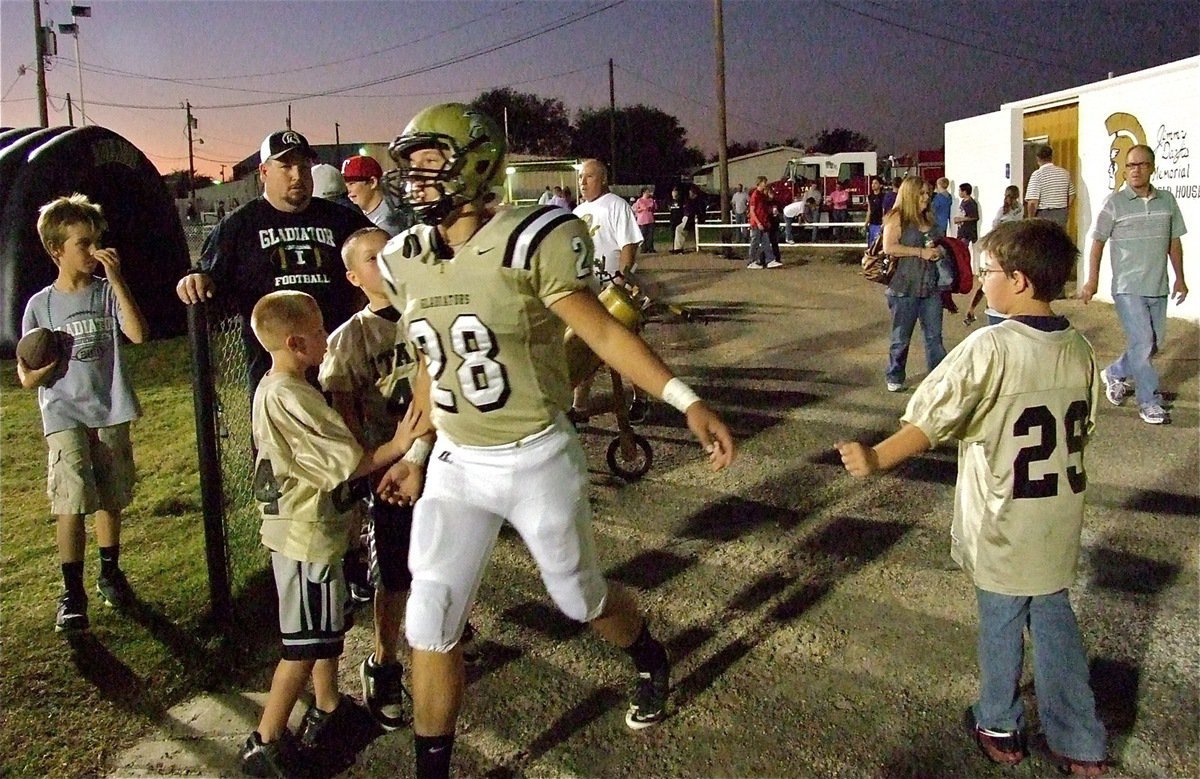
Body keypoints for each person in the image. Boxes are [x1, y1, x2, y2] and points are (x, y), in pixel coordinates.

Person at [373, 102, 735, 779]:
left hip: (536, 454)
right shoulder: (405, 257)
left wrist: (685, 399)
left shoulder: (531, 237)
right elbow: (432, 361)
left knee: (578, 596)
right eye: (411, 167)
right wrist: (417, 449)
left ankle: (649, 653)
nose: (415, 181)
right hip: (457, 461)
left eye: (430, 164)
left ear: (477, 164)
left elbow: (601, 332)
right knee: (431, 616)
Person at [837, 218, 1110, 778]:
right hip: (1057, 519)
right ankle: (1080, 740)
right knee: (1055, 619)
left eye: (986, 273)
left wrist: (876, 458)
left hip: (1003, 521)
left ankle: (1000, 724)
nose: (980, 282)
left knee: (1003, 620)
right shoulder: (1080, 349)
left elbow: (932, 419)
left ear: (1019, 280)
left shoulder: (992, 346)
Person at [239, 290, 416, 777]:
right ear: (296, 342)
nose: (326, 337)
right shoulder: (290, 395)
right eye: (318, 332)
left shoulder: (284, 385)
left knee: (322, 633)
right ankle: (267, 740)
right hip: (304, 537)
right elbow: (350, 462)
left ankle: (327, 707)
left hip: (310, 532)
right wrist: (398, 444)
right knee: (302, 646)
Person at [18, 193, 148, 633]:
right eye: (82, 244)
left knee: (110, 497)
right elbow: (26, 375)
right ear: (57, 249)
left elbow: (136, 333)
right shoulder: (40, 305)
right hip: (63, 413)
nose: (92, 251)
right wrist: (43, 369)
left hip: (109, 408)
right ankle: (72, 591)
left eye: (95, 241)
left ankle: (110, 572)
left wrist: (116, 279)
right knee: (71, 500)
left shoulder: (105, 292)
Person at [175, 130, 372, 388]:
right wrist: (194, 279)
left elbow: (381, 253)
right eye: (286, 166)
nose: (297, 175)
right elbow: (206, 274)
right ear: (264, 172)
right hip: (277, 380)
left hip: (343, 370)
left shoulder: (342, 220)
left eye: (303, 166)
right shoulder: (239, 225)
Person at [1080, 143, 1188, 426]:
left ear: (1152, 168)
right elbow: (1097, 244)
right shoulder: (1114, 203)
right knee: (1143, 342)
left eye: (1141, 165)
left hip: (1159, 285)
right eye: (1130, 166)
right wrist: (1091, 280)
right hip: (1128, 286)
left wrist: (1180, 278)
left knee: (1152, 344)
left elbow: (1173, 242)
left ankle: (1115, 372)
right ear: (1124, 170)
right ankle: (1148, 402)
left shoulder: (1167, 202)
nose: (1135, 170)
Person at [571, 159, 646, 422]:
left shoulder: (616, 205)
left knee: (625, 347)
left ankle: (641, 399)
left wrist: (622, 281)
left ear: (602, 179)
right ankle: (578, 406)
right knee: (584, 347)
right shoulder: (578, 211)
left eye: (588, 177)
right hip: (587, 290)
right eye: (581, 178)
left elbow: (629, 244)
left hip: (612, 289)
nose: (582, 182)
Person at [881, 176, 947, 392]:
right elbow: (889, 247)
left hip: (931, 286)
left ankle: (937, 379)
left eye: (928, 193)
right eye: (921, 194)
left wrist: (939, 252)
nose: (926, 198)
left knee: (934, 338)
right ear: (909, 194)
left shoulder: (929, 218)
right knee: (901, 338)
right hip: (904, 287)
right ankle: (895, 375)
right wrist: (920, 252)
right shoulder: (896, 217)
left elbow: (941, 243)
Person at [964, 185, 1023, 326]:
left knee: (988, 277)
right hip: (1011, 243)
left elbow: (995, 223)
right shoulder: (1020, 209)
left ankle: (973, 308)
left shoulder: (1003, 210)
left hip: (999, 241)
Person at [343, 155, 412, 237]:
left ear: (373, 182)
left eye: (352, 183)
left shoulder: (392, 218)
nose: (348, 190)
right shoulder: (357, 214)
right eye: (345, 184)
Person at [1024, 144, 1076, 226]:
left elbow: (1033, 202)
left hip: (1044, 214)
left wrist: (1031, 219)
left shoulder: (1037, 175)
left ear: (1037, 158)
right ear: (1051, 156)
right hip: (1061, 214)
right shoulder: (1064, 173)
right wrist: (1066, 208)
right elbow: (1072, 195)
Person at [747, 176, 781, 269]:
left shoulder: (761, 195)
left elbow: (763, 209)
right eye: (764, 182)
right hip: (757, 223)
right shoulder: (755, 195)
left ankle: (770, 260)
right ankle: (751, 261)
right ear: (760, 183)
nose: (766, 184)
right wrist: (758, 223)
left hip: (763, 223)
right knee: (755, 242)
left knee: (766, 242)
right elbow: (752, 211)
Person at [953, 182, 980, 247]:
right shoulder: (963, 201)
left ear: (964, 192)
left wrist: (960, 219)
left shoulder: (971, 203)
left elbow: (974, 217)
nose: (959, 192)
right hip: (961, 230)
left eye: (960, 190)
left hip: (967, 232)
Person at [633, 186, 658, 254]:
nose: (648, 193)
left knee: (650, 235)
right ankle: (643, 248)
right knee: (643, 234)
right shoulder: (639, 200)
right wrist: (642, 209)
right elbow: (635, 209)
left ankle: (650, 248)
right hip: (642, 220)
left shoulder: (651, 200)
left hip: (650, 219)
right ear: (643, 193)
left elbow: (655, 208)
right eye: (647, 192)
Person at [669, 185, 691, 254]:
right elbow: (670, 209)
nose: (674, 193)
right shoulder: (671, 201)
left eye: (675, 191)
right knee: (673, 234)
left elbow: (683, 209)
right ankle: (675, 247)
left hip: (679, 219)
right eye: (673, 191)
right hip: (673, 219)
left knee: (679, 233)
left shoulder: (681, 200)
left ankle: (679, 248)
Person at [864, 176, 885, 247]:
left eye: (875, 183)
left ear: (880, 185)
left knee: (878, 244)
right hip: (872, 223)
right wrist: (866, 222)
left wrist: (883, 223)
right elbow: (869, 210)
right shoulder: (870, 197)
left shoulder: (883, 196)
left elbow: (884, 210)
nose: (873, 185)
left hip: (880, 224)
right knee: (871, 244)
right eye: (872, 183)